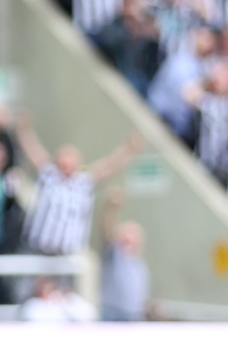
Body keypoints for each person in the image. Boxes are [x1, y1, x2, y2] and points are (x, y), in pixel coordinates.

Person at [15, 112, 144, 255]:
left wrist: (129, 150)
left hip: (67, 256)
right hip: (37, 250)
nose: (67, 164)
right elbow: (33, 150)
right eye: (64, 159)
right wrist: (23, 129)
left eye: (71, 160)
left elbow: (109, 167)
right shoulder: (49, 175)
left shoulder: (83, 183)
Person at [100, 188, 149, 322]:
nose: (129, 240)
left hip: (134, 315)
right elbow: (108, 232)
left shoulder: (139, 264)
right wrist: (111, 207)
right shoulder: (115, 257)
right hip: (113, 314)